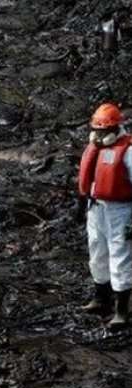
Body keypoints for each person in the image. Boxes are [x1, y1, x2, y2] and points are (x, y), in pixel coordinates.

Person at [78, 102, 132, 328]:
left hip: (120, 210)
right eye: (97, 130)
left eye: (103, 131)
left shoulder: (128, 151)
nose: (99, 135)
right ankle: (101, 297)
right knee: (97, 251)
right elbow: (88, 180)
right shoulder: (94, 147)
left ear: (114, 129)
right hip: (96, 207)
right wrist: (81, 204)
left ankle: (122, 310)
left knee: (120, 256)